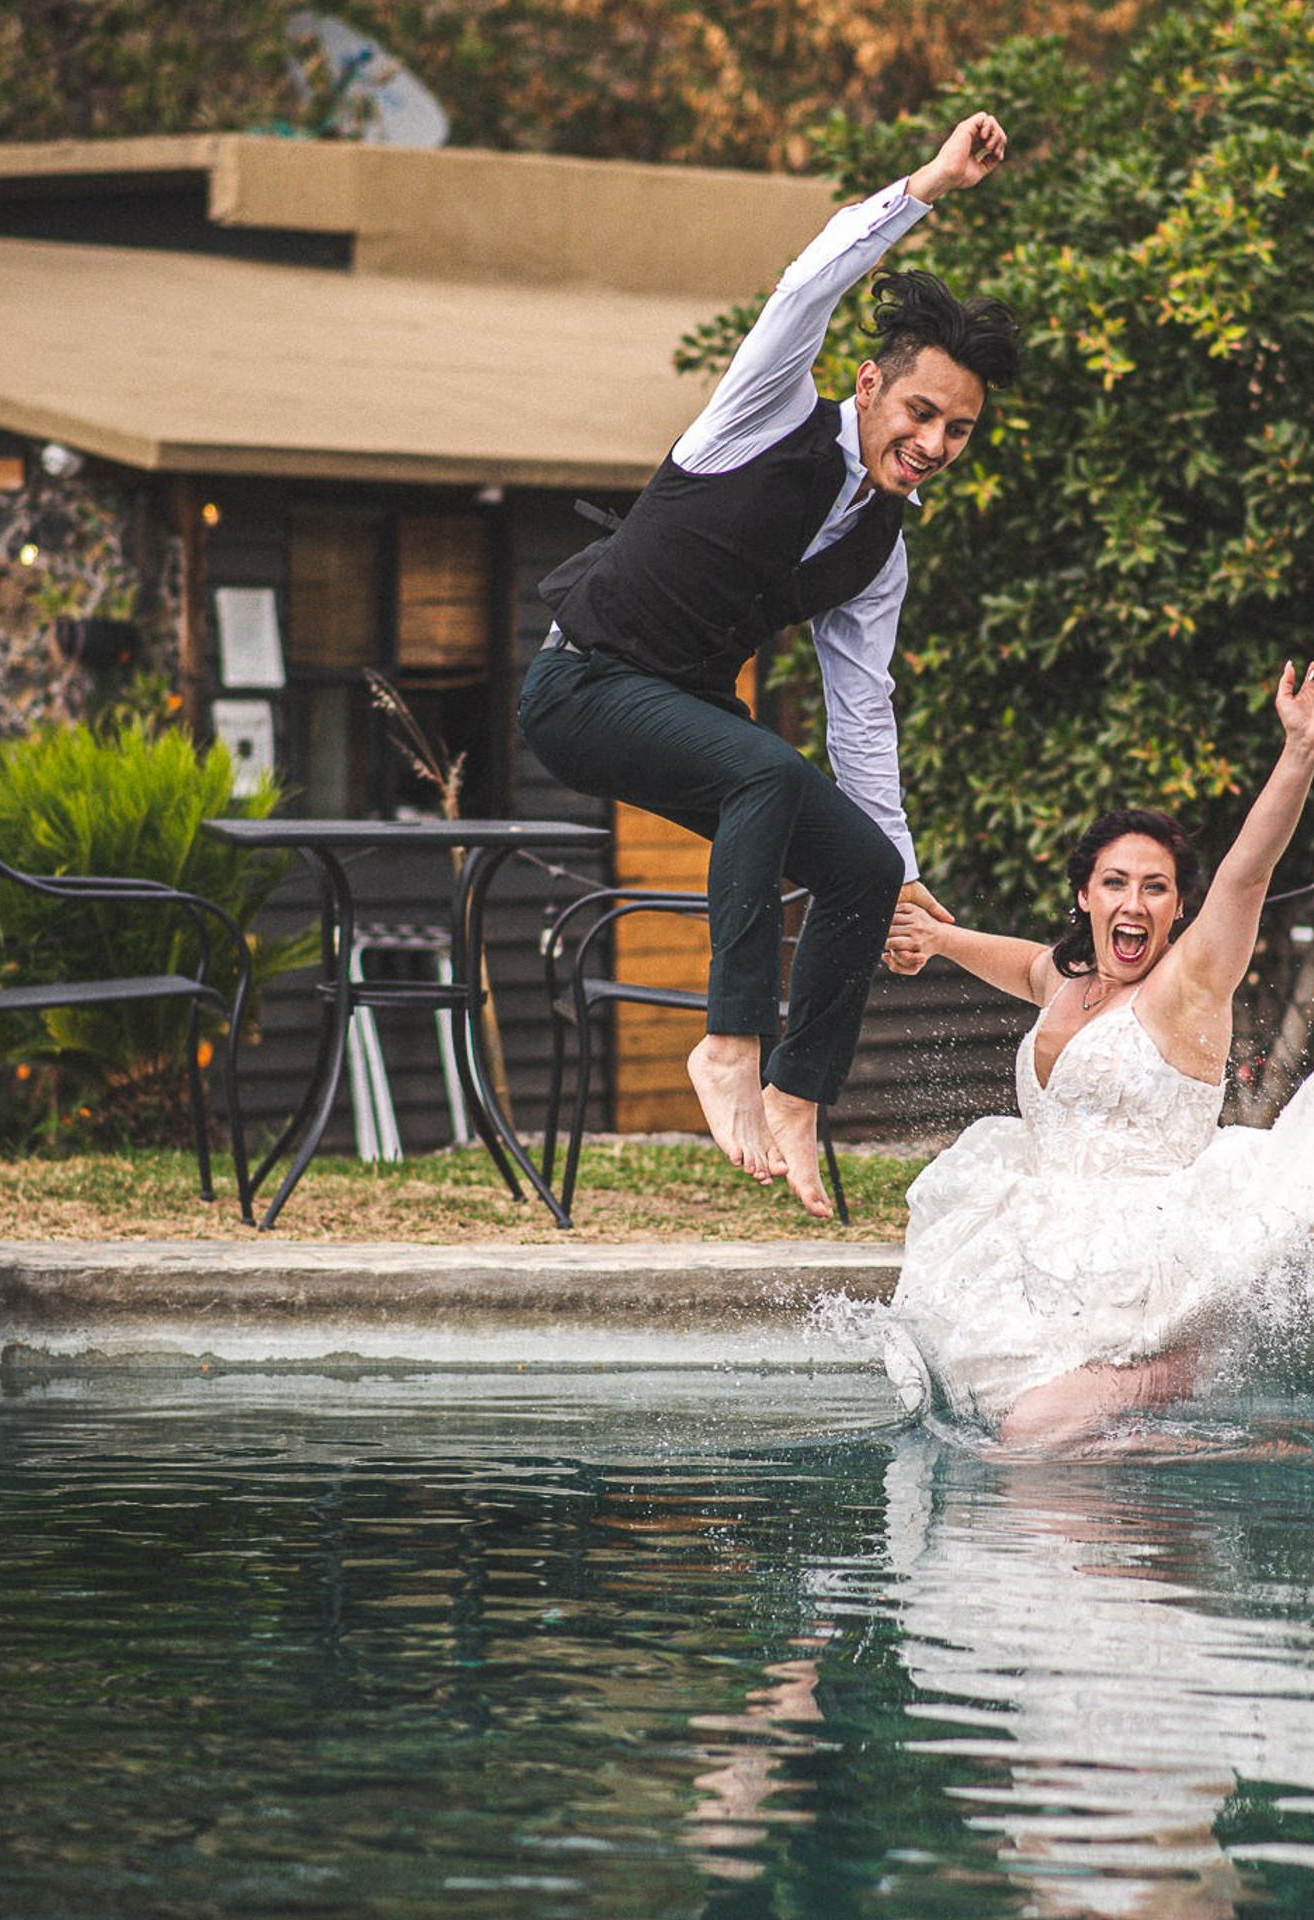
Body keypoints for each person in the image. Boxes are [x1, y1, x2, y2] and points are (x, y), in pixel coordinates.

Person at [520, 112, 1023, 1219]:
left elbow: (862, 713)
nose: (934, 445)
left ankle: (798, 1092)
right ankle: (729, 1043)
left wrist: (903, 874)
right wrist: (931, 184)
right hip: (581, 685)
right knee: (764, 770)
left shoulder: (879, 550)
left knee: (859, 866)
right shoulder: (759, 415)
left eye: (958, 432)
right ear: (867, 385)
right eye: (921, 412)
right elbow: (806, 285)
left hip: (680, 711)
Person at [883, 661, 1314, 1448]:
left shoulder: (1186, 988)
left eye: (1155, 888)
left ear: (1177, 908)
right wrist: (938, 938)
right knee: (989, 1422)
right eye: (1115, 884)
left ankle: (1230, 1418)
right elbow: (1017, 960)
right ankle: (1248, 1447)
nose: (1134, 903)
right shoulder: (1064, 982)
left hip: (1147, 1257)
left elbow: (1247, 871)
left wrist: (1301, 748)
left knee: (1033, 1434)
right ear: (1086, 897)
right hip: (1044, 1243)